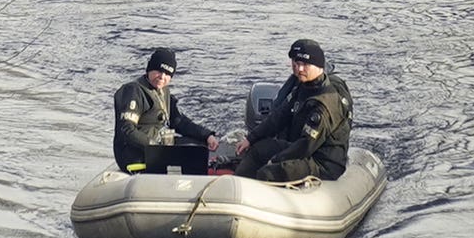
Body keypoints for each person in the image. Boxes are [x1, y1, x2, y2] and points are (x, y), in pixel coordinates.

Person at [239, 39, 351, 185]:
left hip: (321, 162)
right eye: (296, 64)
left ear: (319, 66)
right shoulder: (304, 87)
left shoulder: (323, 104)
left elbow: (305, 146)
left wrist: (276, 159)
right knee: (260, 149)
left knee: (267, 173)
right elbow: (279, 116)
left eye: (305, 65)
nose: (299, 69)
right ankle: (235, 185)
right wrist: (251, 138)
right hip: (304, 151)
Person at [110, 49, 217, 174]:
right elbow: (127, 130)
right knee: (191, 156)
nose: (162, 77)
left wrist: (207, 135)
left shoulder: (163, 91)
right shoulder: (133, 91)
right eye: (159, 71)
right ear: (150, 69)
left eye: (167, 74)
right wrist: (155, 147)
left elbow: (178, 121)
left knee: (199, 147)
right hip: (135, 154)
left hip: (159, 145)